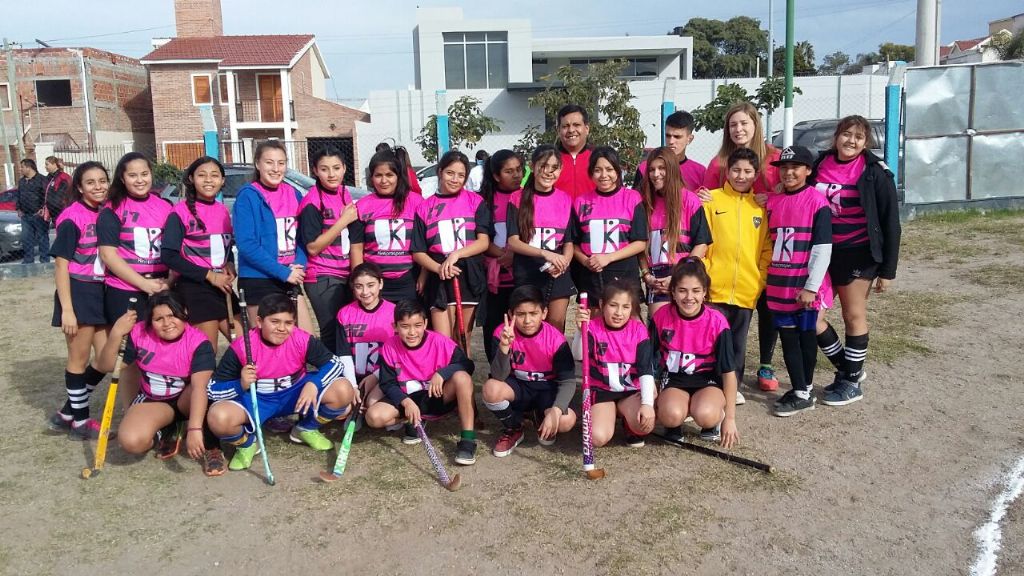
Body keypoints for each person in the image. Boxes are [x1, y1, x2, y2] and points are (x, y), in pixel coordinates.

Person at [206, 293, 357, 471]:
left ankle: (305, 429)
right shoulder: (241, 346)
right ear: (260, 322)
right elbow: (213, 390)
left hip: (296, 394)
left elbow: (334, 363)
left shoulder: (301, 338)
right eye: (275, 322)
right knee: (218, 417)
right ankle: (247, 444)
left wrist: (313, 384)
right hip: (258, 400)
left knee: (343, 389)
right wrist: (240, 384)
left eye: (288, 323)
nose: (282, 328)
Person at [811, 115, 901, 406]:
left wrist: (887, 271)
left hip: (858, 253)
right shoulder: (819, 164)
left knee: (853, 315)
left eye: (858, 137)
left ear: (865, 142)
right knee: (812, 318)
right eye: (846, 134)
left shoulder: (875, 172)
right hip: (823, 252)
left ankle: (851, 384)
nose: (851, 141)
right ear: (837, 136)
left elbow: (891, 223)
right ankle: (850, 369)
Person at [700, 102, 783, 392]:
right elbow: (708, 200)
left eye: (744, 123)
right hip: (725, 259)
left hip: (763, 243)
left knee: (767, 306)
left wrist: (771, 198)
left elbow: (789, 189)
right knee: (726, 325)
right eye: (733, 124)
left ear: (755, 125)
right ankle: (719, 379)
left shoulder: (774, 157)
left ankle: (766, 363)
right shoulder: (718, 162)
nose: (739, 129)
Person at [98, 293, 223, 475]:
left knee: (206, 390)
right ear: (150, 321)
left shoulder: (199, 343)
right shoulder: (140, 333)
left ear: (184, 312)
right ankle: (166, 428)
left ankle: (212, 445)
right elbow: (106, 366)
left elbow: (199, 389)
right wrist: (116, 333)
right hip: (154, 400)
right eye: (159, 319)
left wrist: (195, 428)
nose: (167, 323)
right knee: (131, 441)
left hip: (188, 399)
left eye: (172, 316)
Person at [98, 152, 173, 409]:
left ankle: (164, 408)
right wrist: (144, 284)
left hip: (162, 287)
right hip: (126, 290)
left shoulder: (165, 206)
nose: (140, 180)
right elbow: (108, 255)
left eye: (144, 174)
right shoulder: (112, 209)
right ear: (122, 178)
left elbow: (176, 248)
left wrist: (169, 280)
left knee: (162, 348)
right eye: (133, 175)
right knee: (130, 357)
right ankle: (132, 409)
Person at [365, 300, 478, 465]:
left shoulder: (440, 342)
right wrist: (406, 402)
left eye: (417, 325)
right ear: (395, 326)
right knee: (373, 417)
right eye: (405, 326)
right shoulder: (389, 346)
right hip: (409, 400)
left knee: (462, 378)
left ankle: (468, 440)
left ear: (425, 323)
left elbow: (467, 365)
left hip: (437, 397)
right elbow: (387, 383)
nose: (412, 332)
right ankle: (412, 420)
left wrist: (442, 373)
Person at [764, 146, 833, 417]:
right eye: (784, 167)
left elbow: (822, 248)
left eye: (795, 167)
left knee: (804, 340)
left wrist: (811, 287)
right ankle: (801, 388)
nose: (788, 172)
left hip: (803, 288)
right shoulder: (774, 201)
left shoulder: (817, 202)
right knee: (788, 339)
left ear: (808, 170)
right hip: (779, 285)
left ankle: (804, 392)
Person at [46, 161, 111, 440]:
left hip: (102, 291)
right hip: (78, 291)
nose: (98, 187)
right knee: (79, 358)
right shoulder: (72, 217)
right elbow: (61, 266)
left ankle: (67, 412)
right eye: (90, 182)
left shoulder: (107, 212)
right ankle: (80, 422)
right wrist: (68, 310)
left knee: (107, 358)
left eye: (102, 181)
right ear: (80, 188)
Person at [703, 147, 772, 392]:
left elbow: (766, 249)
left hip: (746, 290)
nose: (741, 176)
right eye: (736, 170)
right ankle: (709, 389)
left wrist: (759, 279)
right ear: (727, 171)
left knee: (737, 345)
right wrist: (706, 275)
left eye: (747, 171)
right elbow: (702, 242)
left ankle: (733, 389)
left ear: (756, 175)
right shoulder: (711, 201)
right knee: (712, 342)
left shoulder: (760, 207)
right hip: (714, 290)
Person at [652, 258, 739, 447]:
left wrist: (730, 418)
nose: (689, 297)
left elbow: (729, 372)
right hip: (674, 380)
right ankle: (674, 425)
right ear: (673, 292)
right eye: (682, 290)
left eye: (696, 291)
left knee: (706, 414)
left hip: (707, 382)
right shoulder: (661, 316)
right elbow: (648, 358)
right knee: (670, 415)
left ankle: (713, 420)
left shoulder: (717, 321)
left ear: (705, 292)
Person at [482, 285, 576, 457]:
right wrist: (504, 347)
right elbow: (498, 376)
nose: (527, 321)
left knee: (566, 420)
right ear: (511, 314)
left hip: (546, 391)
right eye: (520, 314)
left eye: (533, 313)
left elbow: (568, 381)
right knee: (491, 389)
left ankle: (540, 416)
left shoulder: (556, 339)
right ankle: (514, 427)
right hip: (518, 388)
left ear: (544, 313)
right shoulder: (501, 333)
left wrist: (555, 411)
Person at [233, 140, 314, 333]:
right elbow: (247, 244)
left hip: (289, 276)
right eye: (269, 162)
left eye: (281, 163)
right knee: (268, 342)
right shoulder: (248, 196)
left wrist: (299, 264)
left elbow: (303, 237)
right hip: (258, 278)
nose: (276, 169)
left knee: (305, 338)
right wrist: (282, 272)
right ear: (257, 164)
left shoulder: (294, 194)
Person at [412, 150, 491, 346]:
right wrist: (438, 268)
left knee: (463, 338)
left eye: (461, 175)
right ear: (440, 172)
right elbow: (419, 252)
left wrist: (456, 254)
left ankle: (464, 367)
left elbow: (483, 242)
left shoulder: (475, 201)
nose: (455, 179)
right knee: (443, 340)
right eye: (450, 173)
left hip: (468, 273)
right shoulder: (424, 207)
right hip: (438, 275)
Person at [161, 156, 239, 348]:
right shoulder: (179, 212)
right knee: (207, 352)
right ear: (191, 179)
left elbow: (225, 247)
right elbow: (169, 256)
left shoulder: (222, 211)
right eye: (202, 175)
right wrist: (209, 276)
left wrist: (229, 263)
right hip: (195, 288)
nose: (208, 180)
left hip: (222, 287)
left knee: (247, 347)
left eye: (214, 175)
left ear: (222, 180)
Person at [572, 279, 656, 448]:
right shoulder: (592, 327)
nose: (619, 313)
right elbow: (578, 355)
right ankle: (606, 413)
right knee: (597, 437)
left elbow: (645, 369)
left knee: (644, 425)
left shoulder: (638, 330)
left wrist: (647, 405)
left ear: (632, 308)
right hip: (602, 391)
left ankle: (628, 422)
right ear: (602, 304)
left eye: (625, 307)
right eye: (613, 305)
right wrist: (581, 332)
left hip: (630, 392)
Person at [506, 145, 575, 332]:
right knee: (530, 327)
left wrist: (563, 263)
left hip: (557, 272)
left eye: (554, 167)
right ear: (533, 166)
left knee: (555, 326)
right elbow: (513, 241)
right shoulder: (517, 198)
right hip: (527, 272)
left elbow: (569, 242)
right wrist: (546, 254)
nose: (548, 172)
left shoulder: (565, 199)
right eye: (543, 166)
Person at [571, 146, 648, 310]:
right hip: (592, 275)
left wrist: (608, 258)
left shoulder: (632, 198)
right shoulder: (581, 202)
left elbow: (640, 243)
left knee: (628, 321)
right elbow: (573, 244)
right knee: (594, 322)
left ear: (617, 171)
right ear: (591, 172)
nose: (604, 175)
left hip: (625, 273)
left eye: (609, 169)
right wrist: (586, 261)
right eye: (598, 170)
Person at [299, 147, 359, 354]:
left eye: (336, 168)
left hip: (345, 272)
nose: (331, 174)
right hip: (322, 275)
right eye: (324, 169)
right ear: (315, 171)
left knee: (347, 329)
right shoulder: (312, 201)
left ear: (344, 168)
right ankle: (331, 372)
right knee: (331, 331)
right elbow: (313, 247)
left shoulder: (344, 192)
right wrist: (342, 221)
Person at [638, 146, 711, 317]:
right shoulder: (645, 203)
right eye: (652, 170)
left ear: (671, 169)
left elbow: (702, 243)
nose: (656, 174)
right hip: (656, 279)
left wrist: (679, 276)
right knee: (659, 326)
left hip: (684, 276)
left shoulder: (690, 200)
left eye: (661, 168)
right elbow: (640, 245)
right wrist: (646, 275)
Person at [350, 147, 424, 303]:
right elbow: (356, 249)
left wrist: (424, 276)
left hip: (410, 281)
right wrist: (359, 282)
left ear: (399, 176)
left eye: (389, 175)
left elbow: (425, 245)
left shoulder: (416, 202)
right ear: (371, 177)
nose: (384, 181)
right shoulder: (362, 206)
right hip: (374, 284)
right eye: (378, 175)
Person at [478, 150, 523, 363]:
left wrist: (515, 254)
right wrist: (504, 255)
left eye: (519, 170)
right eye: (509, 171)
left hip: (521, 275)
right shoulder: (484, 201)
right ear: (496, 175)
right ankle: (496, 369)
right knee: (494, 324)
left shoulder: (527, 196)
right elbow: (480, 238)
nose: (516, 175)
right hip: (494, 278)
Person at [334, 263, 396, 416]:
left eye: (370, 285)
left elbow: (399, 354)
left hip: (384, 375)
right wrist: (353, 386)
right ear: (352, 288)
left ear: (380, 284)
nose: (365, 292)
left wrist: (376, 376)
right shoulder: (344, 314)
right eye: (359, 286)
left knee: (371, 404)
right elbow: (343, 353)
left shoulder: (395, 312)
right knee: (342, 409)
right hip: (354, 377)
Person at [632, 111, 706, 190]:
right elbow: (635, 197)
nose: (671, 141)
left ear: (689, 139)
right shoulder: (645, 168)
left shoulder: (700, 172)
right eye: (668, 136)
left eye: (677, 137)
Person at [554, 104, 593, 199]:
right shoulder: (548, 159)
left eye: (576, 125)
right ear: (558, 130)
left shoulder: (599, 158)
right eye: (565, 126)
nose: (571, 130)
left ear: (587, 129)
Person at [16, 158, 49, 264]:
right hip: (25, 216)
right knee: (26, 238)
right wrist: (18, 208)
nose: (20, 169)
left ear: (29, 167)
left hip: (38, 215)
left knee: (42, 238)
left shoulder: (42, 179)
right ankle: (28, 261)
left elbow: (47, 196)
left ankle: (44, 261)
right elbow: (18, 195)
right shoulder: (21, 181)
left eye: (22, 167)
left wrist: (43, 208)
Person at [43, 156, 71, 223]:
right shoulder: (48, 178)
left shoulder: (63, 177)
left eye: (47, 164)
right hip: (52, 212)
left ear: (54, 164)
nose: (45, 167)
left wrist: (55, 207)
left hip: (61, 211)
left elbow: (64, 194)